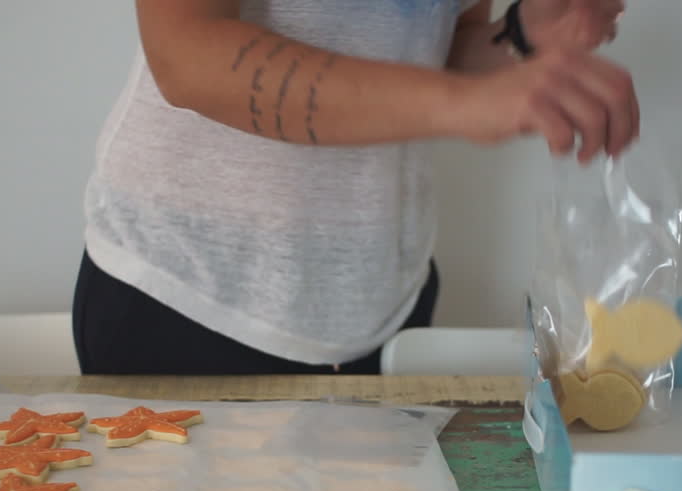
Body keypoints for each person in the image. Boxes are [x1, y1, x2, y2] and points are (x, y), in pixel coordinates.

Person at [72, 0, 636, 375]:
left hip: (382, 302)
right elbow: (186, 55)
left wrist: (522, 38)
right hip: (185, 295)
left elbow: (429, 54)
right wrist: (467, 105)